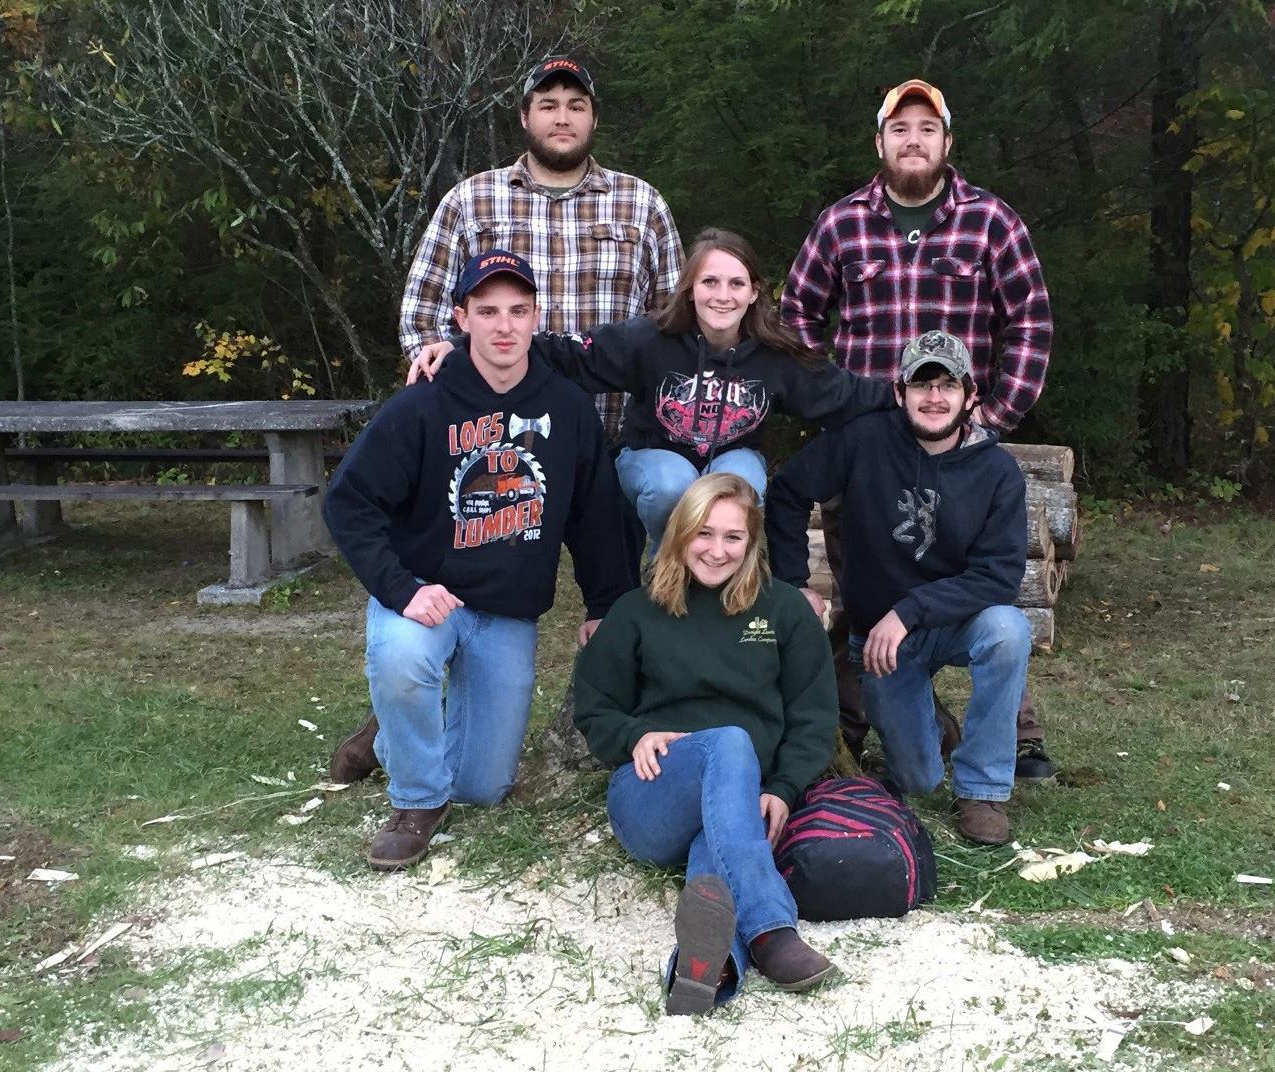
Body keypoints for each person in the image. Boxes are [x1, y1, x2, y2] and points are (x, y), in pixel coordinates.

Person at [779, 77, 1055, 782]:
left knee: (987, 594)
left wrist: (991, 417)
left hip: (959, 442)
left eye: (926, 129)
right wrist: (831, 398)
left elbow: (1030, 321)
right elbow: (797, 316)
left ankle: (1015, 736)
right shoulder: (842, 224)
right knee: (864, 583)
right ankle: (876, 712)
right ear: (880, 143)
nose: (913, 139)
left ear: (946, 142)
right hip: (870, 446)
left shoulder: (992, 222)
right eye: (899, 128)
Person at [324, 250, 634, 870]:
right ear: (461, 318)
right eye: (487, 311)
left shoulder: (568, 409)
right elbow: (348, 503)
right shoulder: (422, 405)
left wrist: (607, 606)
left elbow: (597, 517)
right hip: (427, 598)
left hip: (506, 612)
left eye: (518, 311)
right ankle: (415, 802)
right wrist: (401, 587)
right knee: (404, 658)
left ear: (536, 318)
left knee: (482, 788)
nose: (504, 326)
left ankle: (387, 737)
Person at [412, 227, 895, 556]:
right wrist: (461, 345)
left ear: (754, 292)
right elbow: (564, 353)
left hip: (732, 457)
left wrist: (909, 398)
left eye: (735, 283)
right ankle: (666, 574)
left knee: (740, 489)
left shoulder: (773, 356)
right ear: (689, 289)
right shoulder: (649, 339)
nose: (721, 295)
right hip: (651, 458)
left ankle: (727, 583)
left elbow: (841, 392)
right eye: (709, 281)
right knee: (675, 485)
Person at [574, 473, 839, 1014]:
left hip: (744, 800)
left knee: (718, 838)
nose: (717, 551)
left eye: (733, 537)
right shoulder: (637, 610)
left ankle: (709, 967)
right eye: (704, 533)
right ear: (680, 533)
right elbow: (594, 706)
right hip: (650, 795)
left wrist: (785, 788)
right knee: (729, 742)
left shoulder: (785, 611)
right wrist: (633, 735)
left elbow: (814, 717)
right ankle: (770, 929)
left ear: (752, 542)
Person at [765, 331, 1031, 847]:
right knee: (917, 780)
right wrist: (793, 583)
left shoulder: (997, 471)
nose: (934, 398)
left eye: (947, 385)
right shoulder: (863, 440)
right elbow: (788, 492)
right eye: (921, 384)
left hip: (954, 622)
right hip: (883, 642)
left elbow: (999, 575)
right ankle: (932, 728)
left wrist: (910, 610)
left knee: (1008, 630)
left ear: (970, 395)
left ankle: (983, 789)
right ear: (898, 392)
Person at [399, 55, 683, 447]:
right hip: (494, 444)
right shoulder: (471, 201)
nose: (562, 118)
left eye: (576, 106)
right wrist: (468, 395)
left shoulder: (643, 204)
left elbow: (675, 324)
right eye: (548, 105)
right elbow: (421, 320)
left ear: (594, 119)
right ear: (524, 117)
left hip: (617, 443)